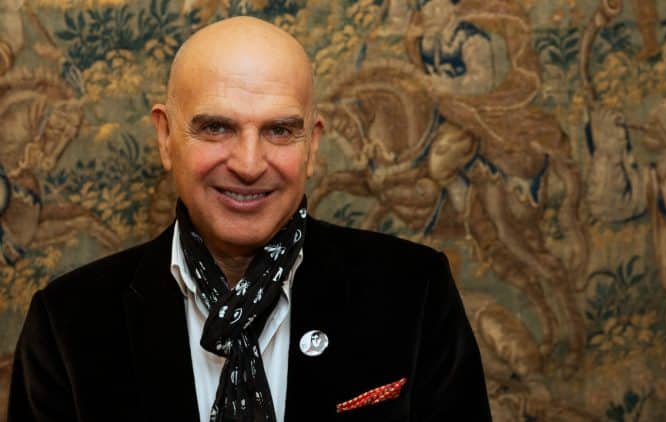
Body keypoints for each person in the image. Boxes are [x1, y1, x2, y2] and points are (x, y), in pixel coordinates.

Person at [8, 16, 491, 422]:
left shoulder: (414, 292)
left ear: (313, 145)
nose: (248, 163)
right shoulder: (68, 324)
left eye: (279, 130)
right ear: (165, 137)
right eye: (217, 127)